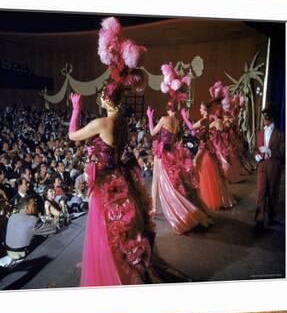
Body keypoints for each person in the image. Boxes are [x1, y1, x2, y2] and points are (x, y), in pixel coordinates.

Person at [68, 16, 189, 287]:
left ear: (105, 99)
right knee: (123, 230)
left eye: (101, 95)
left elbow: (72, 135)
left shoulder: (102, 122)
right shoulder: (121, 122)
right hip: (120, 179)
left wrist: (76, 109)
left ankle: (111, 272)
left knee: (106, 231)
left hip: (104, 183)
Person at [147, 100, 211, 234]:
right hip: (171, 153)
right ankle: (155, 207)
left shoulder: (164, 119)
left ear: (168, 109)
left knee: (156, 181)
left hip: (161, 153)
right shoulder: (177, 122)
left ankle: (154, 208)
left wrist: (149, 117)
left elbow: (153, 132)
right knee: (172, 182)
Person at [182, 101, 236, 211]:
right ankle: (213, 198)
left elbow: (191, 127)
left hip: (203, 151)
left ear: (205, 110)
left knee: (204, 176)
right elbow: (196, 133)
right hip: (206, 149)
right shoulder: (206, 120)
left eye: (201, 108)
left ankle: (207, 200)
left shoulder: (203, 120)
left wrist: (184, 117)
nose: (200, 110)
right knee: (208, 176)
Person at [253, 103, 284, 230]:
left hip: (273, 165)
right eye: (264, 116)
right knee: (261, 192)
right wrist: (256, 156)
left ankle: (271, 216)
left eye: (267, 116)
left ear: (272, 117)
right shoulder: (259, 133)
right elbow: (255, 149)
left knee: (272, 192)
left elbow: (283, 153)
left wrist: (270, 151)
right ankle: (259, 220)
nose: (265, 119)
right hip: (262, 166)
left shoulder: (280, 134)